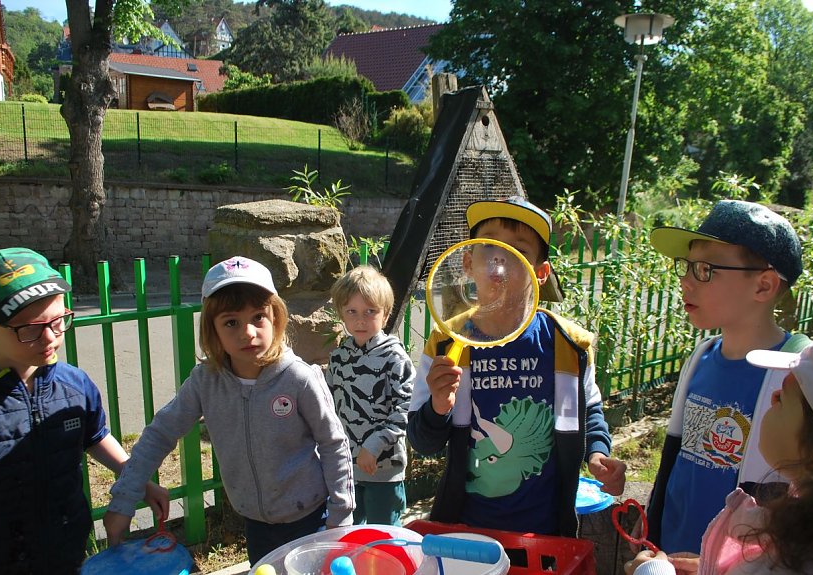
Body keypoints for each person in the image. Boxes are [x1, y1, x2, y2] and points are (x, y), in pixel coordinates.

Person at [103, 256, 354, 565]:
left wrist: (341, 516)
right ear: (213, 330)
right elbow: (159, 434)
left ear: (276, 318)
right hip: (256, 525)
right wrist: (124, 501)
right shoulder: (206, 382)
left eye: (258, 317)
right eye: (231, 322)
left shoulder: (299, 378)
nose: (247, 332)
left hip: (311, 520)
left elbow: (333, 443)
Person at [407, 196, 626, 538]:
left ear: (541, 273)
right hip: (466, 532)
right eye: (489, 246)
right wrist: (438, 406)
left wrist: (598, 454)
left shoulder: (568, 345)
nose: (500, 259)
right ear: (468, 262)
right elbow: (423, 442)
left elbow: (590, 412)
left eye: (518, 250)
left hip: (545, 532)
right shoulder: (447, 343)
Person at [0, 247, 169, 575]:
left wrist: (138, 481)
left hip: (66, 544)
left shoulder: (74, 384)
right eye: (30, 329)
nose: (49, 337)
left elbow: (95, 436)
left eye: (58, 322)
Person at [644, 200, 809, 554]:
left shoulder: (795, 379)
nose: (685, 281)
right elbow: (676, 461)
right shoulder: (701, 358)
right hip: (671, 555)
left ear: (763, 286)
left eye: (704, 269)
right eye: (686, 266)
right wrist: (653, 530)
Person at [626, 333, 813, 575]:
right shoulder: (811, 535)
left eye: (782, 397)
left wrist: (651, 571)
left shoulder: (794, 563)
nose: (772, 397)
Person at [326, 265, 415, 526]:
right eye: (352, 312)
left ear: (385, 315)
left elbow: (406, 407)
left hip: (384, 471)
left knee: (383, 536)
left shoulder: (394, 358)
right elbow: (328, 406)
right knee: (349, 534)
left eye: (370, 311)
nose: (360, 320)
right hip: (347, 469)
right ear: (341, 313)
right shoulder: (339, 358)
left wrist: (374, 445)